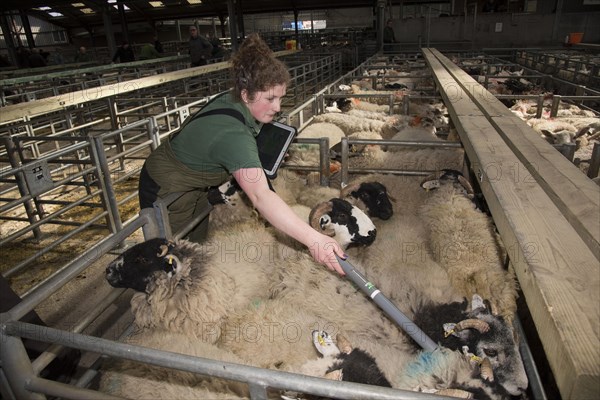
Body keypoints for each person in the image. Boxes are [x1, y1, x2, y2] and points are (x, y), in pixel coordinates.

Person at [138, 33, 347, 275]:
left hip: (196, 182)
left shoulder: (235, 100)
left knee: (195, 242)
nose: (278, 107)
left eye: (280, 98)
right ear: (247, 94)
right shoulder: (233, 136)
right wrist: (314, 240)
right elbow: (260, 196)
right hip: (166, 186)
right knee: (170, 258)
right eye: (270, 98)